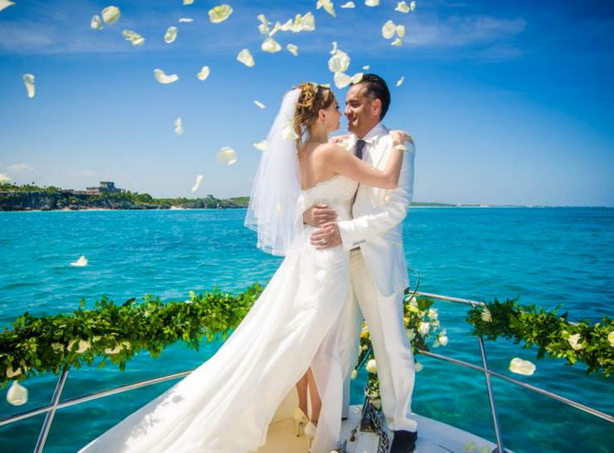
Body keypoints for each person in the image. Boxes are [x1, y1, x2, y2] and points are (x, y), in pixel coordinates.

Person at [79, 82, 408, 453]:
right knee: (322, 348)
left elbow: (285, 202)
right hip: (326, 257)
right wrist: (400, 144)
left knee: (306, 340)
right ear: (320, 115)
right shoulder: (331, 153)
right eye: (336, 107)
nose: (341, 114)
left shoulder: (300, 152)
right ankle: (323, 434)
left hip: (306, 253)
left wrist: (303, 213)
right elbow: (388, 180)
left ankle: (308, 419)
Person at [304, 74, 418, 453]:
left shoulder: (399, 144)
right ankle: (332, 414)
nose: (347, 110)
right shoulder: (339, 144)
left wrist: (345, 231)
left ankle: (402, 425)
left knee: (391, 345)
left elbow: (397, 209)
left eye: (353, 103)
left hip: (375, 259)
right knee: (336, 341)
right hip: (332, 261)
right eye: (345, 104)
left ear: (376, 106)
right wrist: (308, 217)